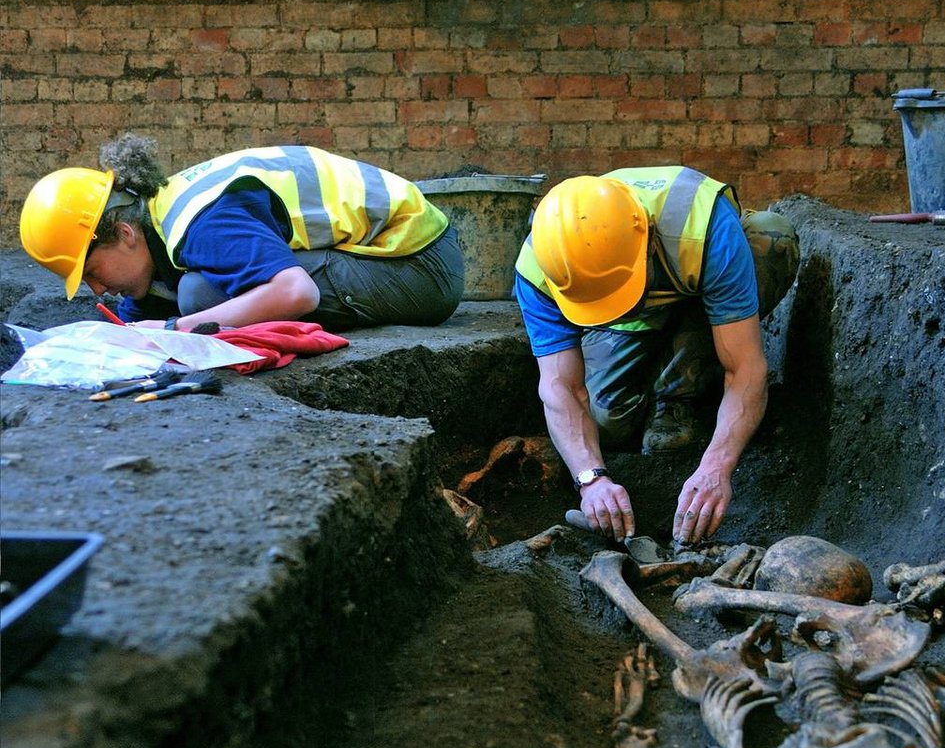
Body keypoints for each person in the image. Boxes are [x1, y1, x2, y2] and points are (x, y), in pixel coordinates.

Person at [514, 166, 800, 547]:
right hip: (627, 324)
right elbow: (561, 386)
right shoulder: (542, 266)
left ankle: (678, 395)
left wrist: (717, 467)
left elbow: (746, 368)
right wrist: (591, 479)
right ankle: (652, 363)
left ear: (648, 242)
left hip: (698, 292)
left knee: (770, 238)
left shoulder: (704, 227)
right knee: (606, 425)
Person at [19, 135, 465, 332]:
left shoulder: (200, 223)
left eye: (91, 270)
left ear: (125, 233)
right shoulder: (157, 221)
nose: (96, 289)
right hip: (394, 257)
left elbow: (298, 293)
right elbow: (141, 312)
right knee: (191, 293)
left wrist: (177, 327)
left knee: (200, 298)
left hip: (421, 266)